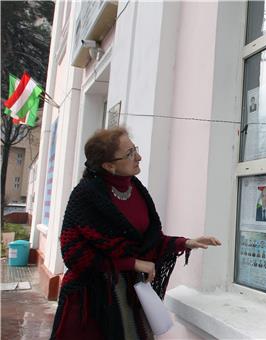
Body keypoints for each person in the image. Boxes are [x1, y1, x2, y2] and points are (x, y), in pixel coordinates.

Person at [50, 127, 221, 339]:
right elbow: (74, 255)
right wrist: (131, 263)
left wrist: (185, 243)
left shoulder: (136, 189)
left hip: (130, 295)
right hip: (91, 303)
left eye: (135, 149)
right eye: (130, 154)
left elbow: (147, 242)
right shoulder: (85, 196)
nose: (138, 157)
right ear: (109, 165)